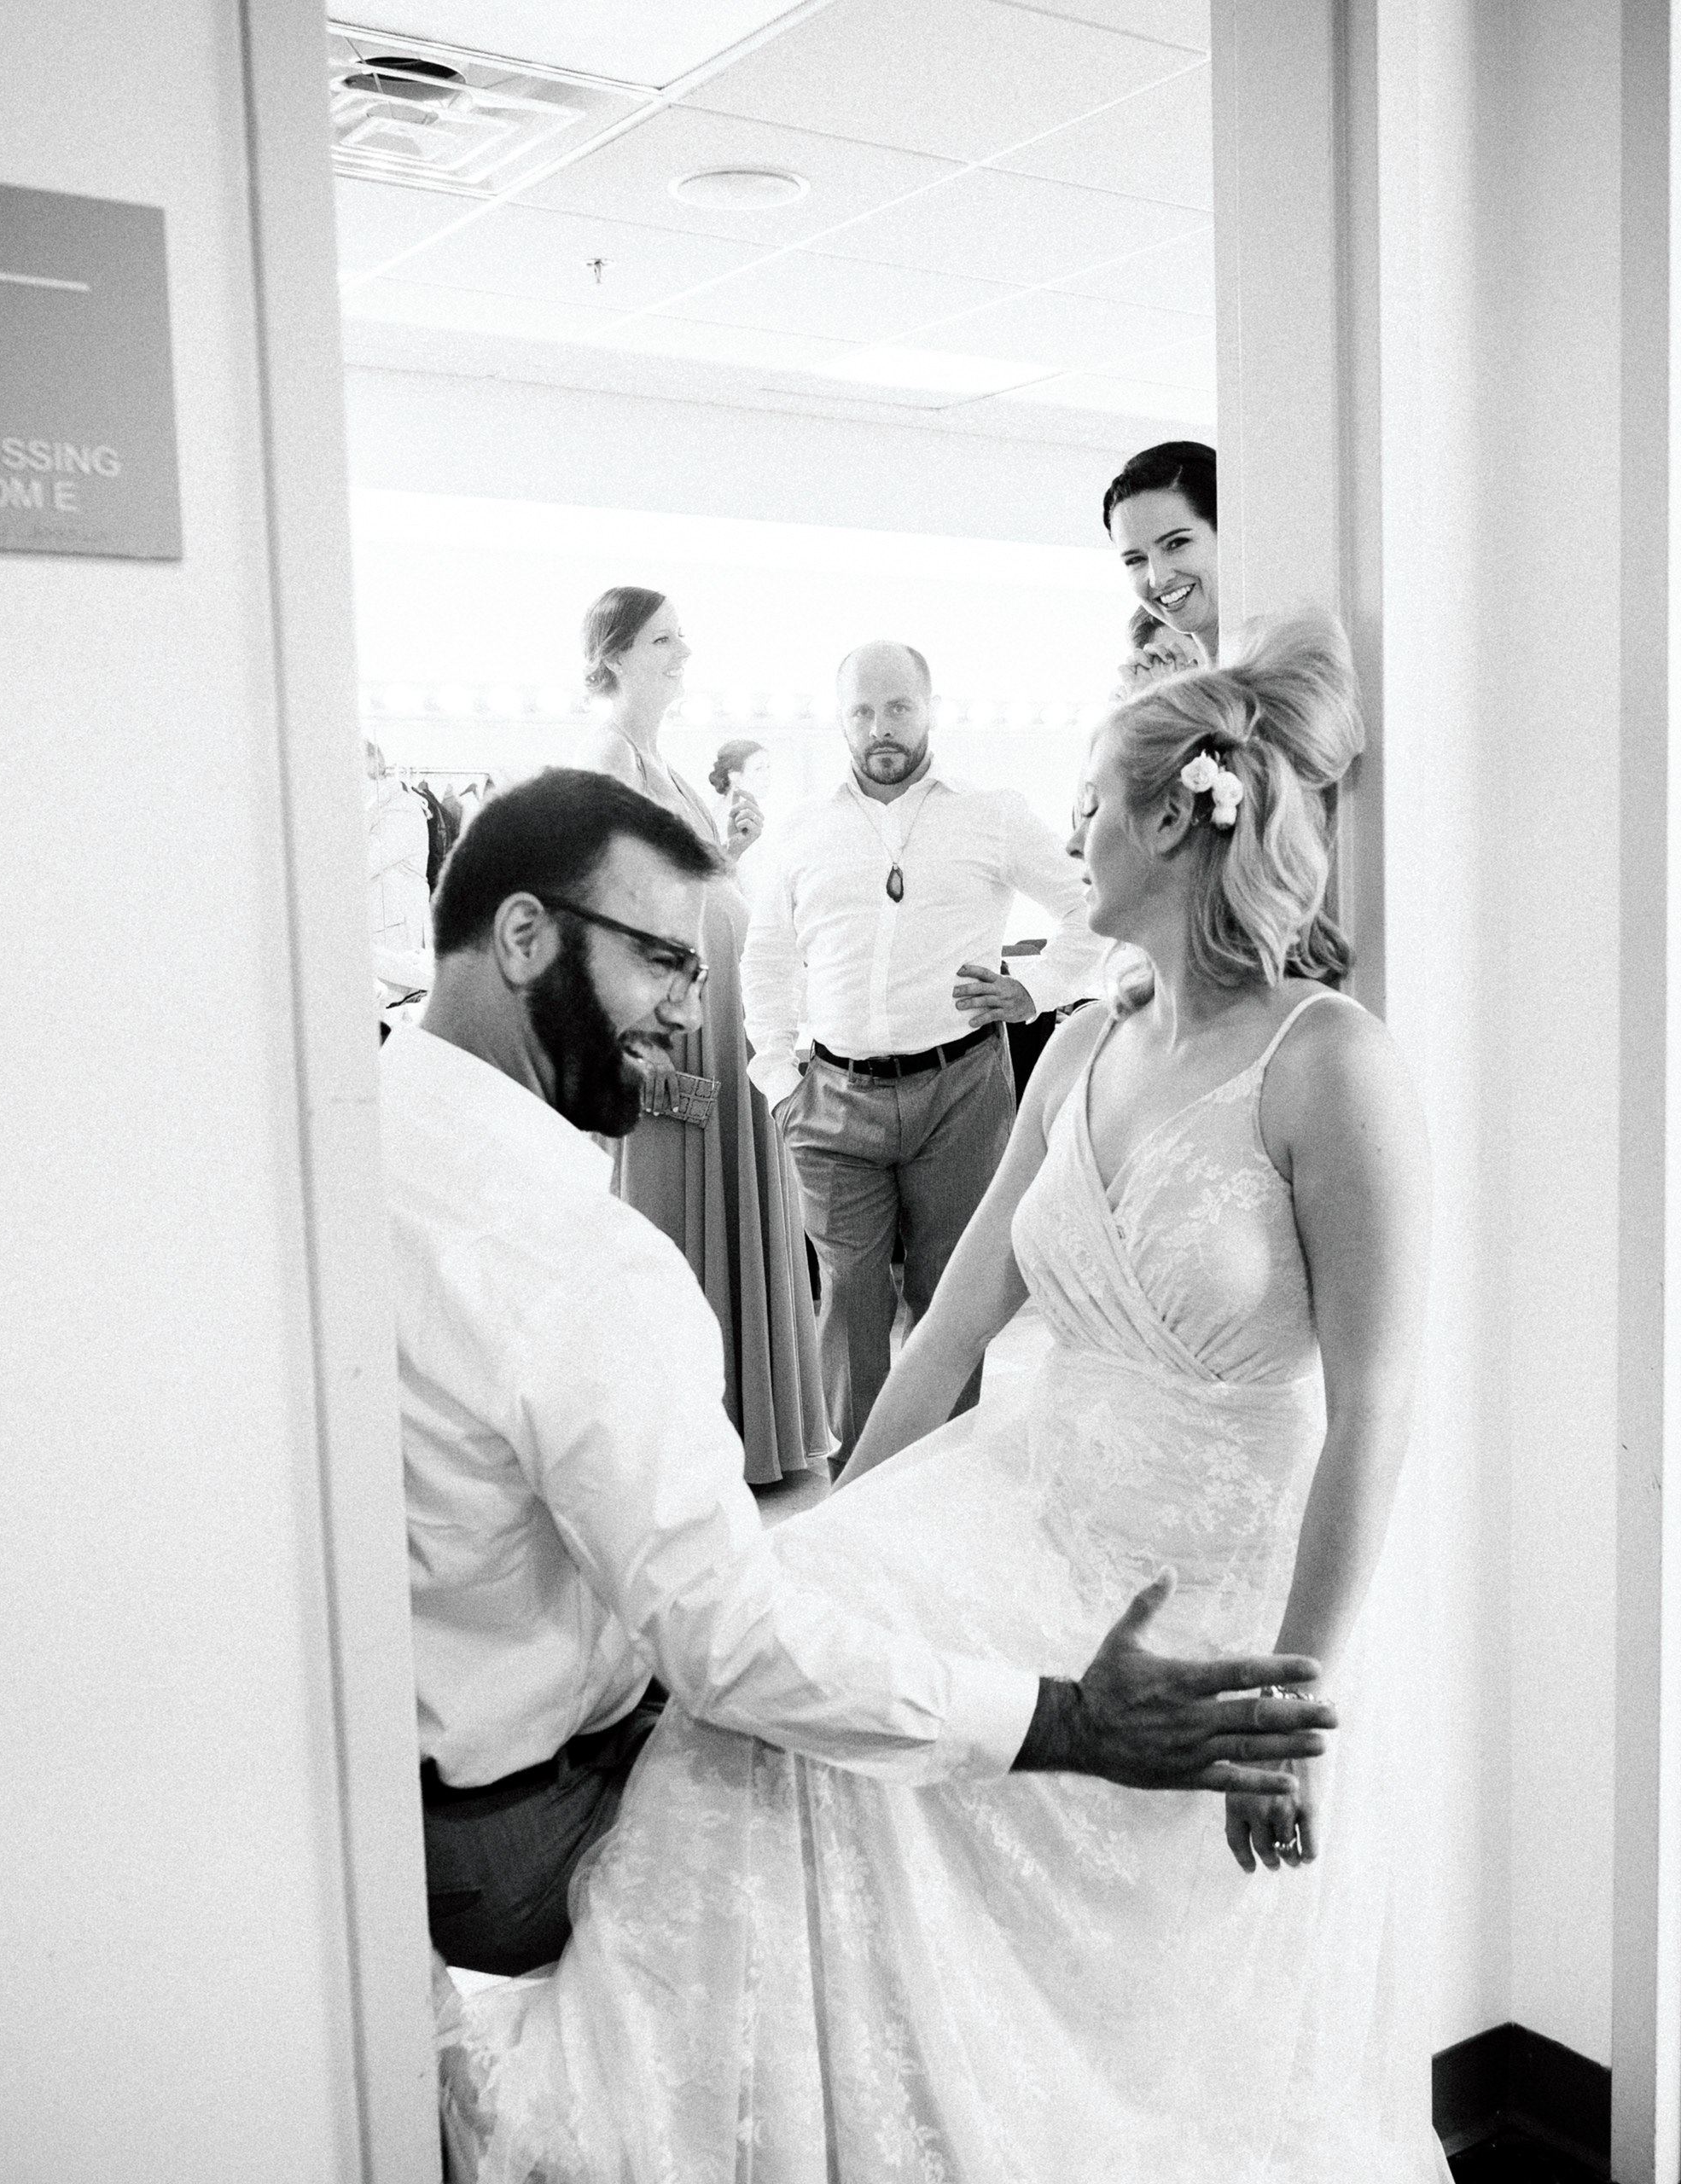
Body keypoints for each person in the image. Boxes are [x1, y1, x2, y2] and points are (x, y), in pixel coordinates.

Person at [443, 617, 1440, 2182]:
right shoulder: (1084, 1046)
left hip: (1214, 1591)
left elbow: (1376, 1412)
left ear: (1176, 821)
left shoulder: (1332, 1065)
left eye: (1093, 808)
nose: (1072, 836)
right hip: (1035, 1510)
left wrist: (1288, 1711)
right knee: (772, 1711)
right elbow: (950, 1329)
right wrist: (820, 1540)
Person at [384, 767, 1338, 1999]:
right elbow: (731, 1652)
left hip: (387, 1787)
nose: (689, 1010)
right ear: (523, 935)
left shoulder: (358, 1133)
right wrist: (1071, 1723)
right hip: (523, 1828)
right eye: (663, 962)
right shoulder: (580, 1265)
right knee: (916, 1824)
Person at [741, 639, 1108, 1458]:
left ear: (930, 709)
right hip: (830, 1096)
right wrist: (777, 1078)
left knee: (952, 1299)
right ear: (842, 720)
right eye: (864, 711)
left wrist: (1037, 989)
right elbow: (765, 961)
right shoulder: (802, 831)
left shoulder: (992, 813)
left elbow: (1092, 906)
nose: (882, 727)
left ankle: (939, 1483)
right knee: (849, 1301)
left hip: (962, 1091)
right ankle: (857, 1491)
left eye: (899, 707)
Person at [565, 587, 830, 1486]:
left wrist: (731, 856)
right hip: (674, 1024)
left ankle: (740, 1429)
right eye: (663, 639)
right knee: (675, 1204)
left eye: (681, 637)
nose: (683, 652)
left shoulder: (660, 762)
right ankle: (679, 1448)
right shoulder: (607, 753)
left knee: (725, 1197)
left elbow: (685, 888)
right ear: (614, 655)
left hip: (720, 1012)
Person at [1104, 439, 1221, 663]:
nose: (1158, 579)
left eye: (1176, 543)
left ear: (1227, 535)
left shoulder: (1279, 662)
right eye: (1135, 559)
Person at [365, 737, 434, 1037]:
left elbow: (360, 863)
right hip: (385, 947)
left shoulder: (400, 809)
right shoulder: (377, 809)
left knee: (394, 1030)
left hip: (397, 947)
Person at [707, 735, 771, 854]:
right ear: (734, 775)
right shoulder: (729, 815)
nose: (768, 776)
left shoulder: (743, 809)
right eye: (759, 769)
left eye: (768, 767)